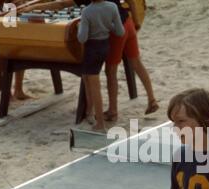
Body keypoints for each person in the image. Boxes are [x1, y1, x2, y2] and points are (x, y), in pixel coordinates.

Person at [21, 0, 159, 121]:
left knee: (111, 71)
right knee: (136, 62)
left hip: (116, 32)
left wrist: (33, 8)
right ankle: (152, 99)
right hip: (128, 23)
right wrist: (136, 22)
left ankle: (112, 111)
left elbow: (62, 4)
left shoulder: (89, 8)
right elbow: (132, 2)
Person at [76, 0, 124, 131]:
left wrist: (80, 26)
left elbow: (82, 38)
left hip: (92, 48)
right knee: (86, 77)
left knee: (94, 86)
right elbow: (120, 31)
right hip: (105, 45)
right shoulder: (112, 6)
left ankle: (100, 124)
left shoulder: (87, 11)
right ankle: (89, 112)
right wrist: (107, 26)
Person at [0, 0, 31, 114]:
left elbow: (10, 26)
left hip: (7, 44)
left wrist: (17, 11)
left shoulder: (8, 6)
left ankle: (12, 93)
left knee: (11, 69)